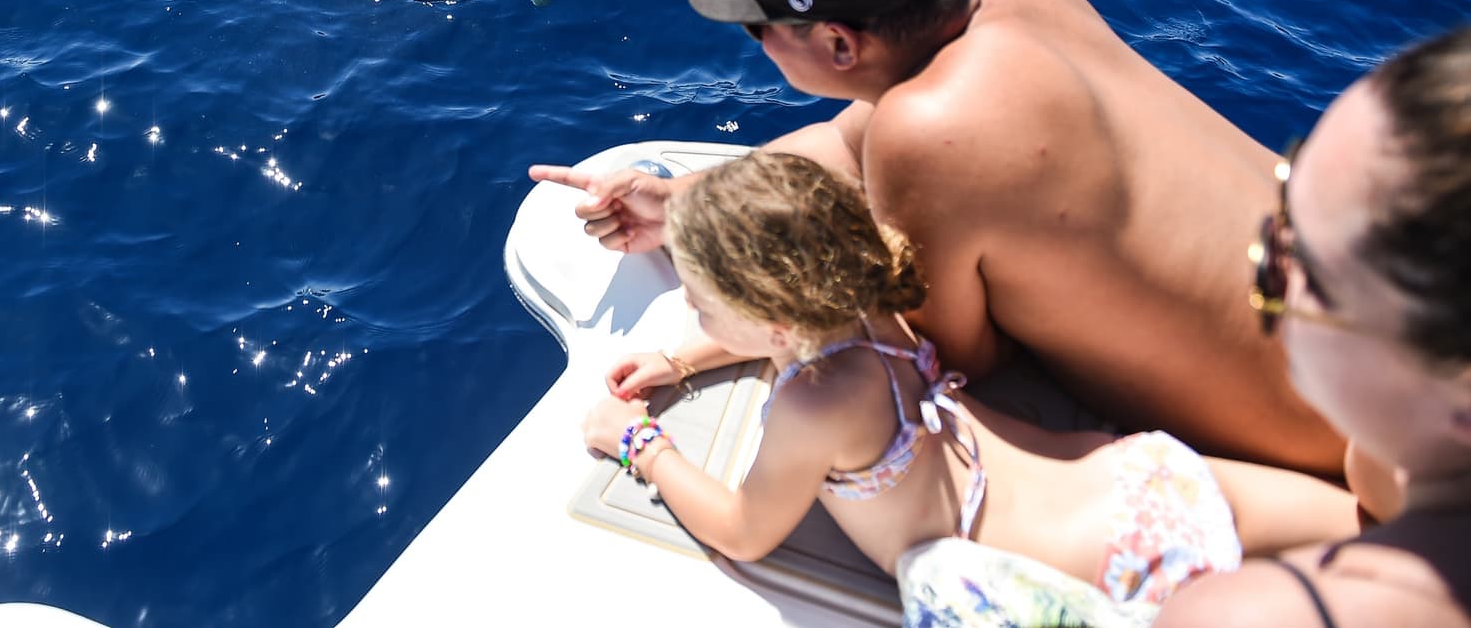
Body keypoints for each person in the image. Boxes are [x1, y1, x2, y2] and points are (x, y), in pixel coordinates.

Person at [535, 0, 1343, 476]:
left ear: (841, 45)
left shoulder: (931, 132)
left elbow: (952, 360)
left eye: (759, 28)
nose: (752, 39)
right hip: (1375, 321)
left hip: (1336, 440)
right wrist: (682, 201)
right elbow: (849, 142)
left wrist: (698, 354)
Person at [581, 150, 1356, 618]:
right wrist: (686, 358)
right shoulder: (868, 296)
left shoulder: (815, 403)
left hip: (1081, 568)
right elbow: (781, 326)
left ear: (777, 319)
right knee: (1400, 551)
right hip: (1138, 478)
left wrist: (639, 444)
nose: (689, 303)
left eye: (704, 298)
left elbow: (745, 530)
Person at [1154, 25, 1471, 627]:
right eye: (1284, 196)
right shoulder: (1396, 458)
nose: (1261, 262)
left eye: (1306, 276)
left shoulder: (1257, 617)